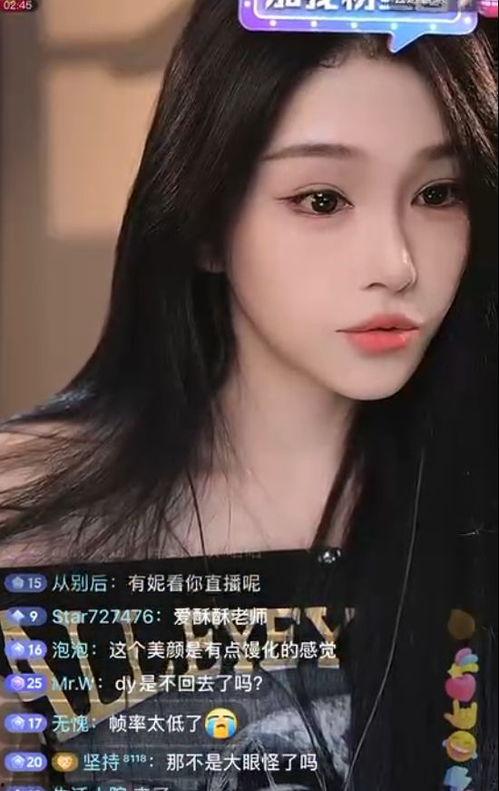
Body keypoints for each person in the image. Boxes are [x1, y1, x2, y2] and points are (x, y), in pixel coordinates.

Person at [0, 1, 497, 788]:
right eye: (322, 199)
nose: (396, 263)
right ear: (204, 221)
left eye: (438, 193)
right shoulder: (25, 511)